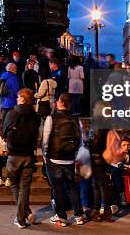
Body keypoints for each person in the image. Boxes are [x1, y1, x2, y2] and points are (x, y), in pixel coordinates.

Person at [42, 93, 87, 226]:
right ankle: (79, 215)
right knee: (72, 187)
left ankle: (61, 217)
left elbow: (45, 139)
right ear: (70, 105)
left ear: (60, 103)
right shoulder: (75, 119)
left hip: (54, 158)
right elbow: (82, 139)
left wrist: (45, 156)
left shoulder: (52, 118)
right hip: (70, 159)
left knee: (58, 189)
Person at [2, 88, 40, 228]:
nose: (17, 99)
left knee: (14, 185)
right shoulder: (36, 116)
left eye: (18, 97)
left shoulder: (12, 113)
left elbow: (4, 132)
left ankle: (21, 218)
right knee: (25, 187)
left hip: (13, 155)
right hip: (28, 155)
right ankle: (25, 212)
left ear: (23, 98)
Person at [89, 129, 114, 222]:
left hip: (98, 161)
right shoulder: (106, 127)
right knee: (97, 187)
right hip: (102, 160)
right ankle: (97, 211)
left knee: (102, 187)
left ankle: (105, 212)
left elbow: (95, 146)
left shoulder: (99, 128)